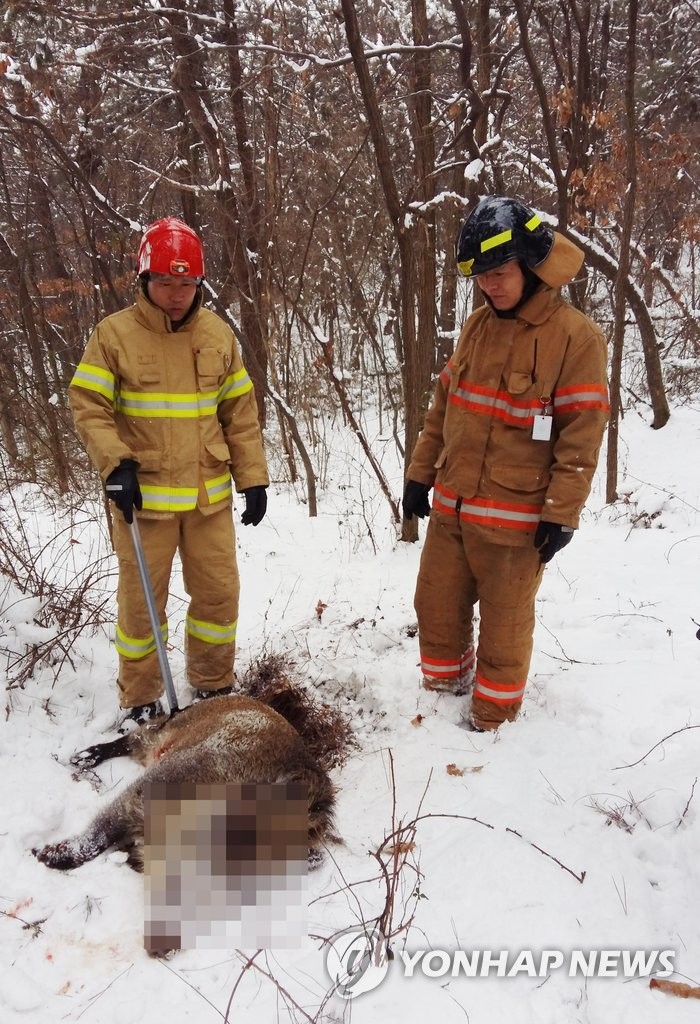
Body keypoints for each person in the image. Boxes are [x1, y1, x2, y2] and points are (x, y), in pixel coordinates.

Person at [403, 196, 609, 732]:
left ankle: (493, 721)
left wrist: (561, 513)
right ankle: (444, 692)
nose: (489, 286)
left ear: (532, 265)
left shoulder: (575, 338)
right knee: (436, 607)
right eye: (480, 277)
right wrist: (419, 475)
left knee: (505, 625)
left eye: (499, 273)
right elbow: (442, 408)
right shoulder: (477, 326)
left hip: (517, 524)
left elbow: (581, 439)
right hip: (453, 507)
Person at [69, 217, 269, 726]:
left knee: (220, 596)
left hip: (208, 500)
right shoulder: (113, 335)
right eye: (165, 283)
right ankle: (140, 698)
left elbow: (239, 414)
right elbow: (88, 405)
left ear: (198, 284)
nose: (176, 294)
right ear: (144, 280)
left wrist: (253, 478)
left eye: (186, 284)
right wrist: (115, 463)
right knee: (141, 610)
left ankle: (212, 685)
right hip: (144, 502)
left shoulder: (218, 335)